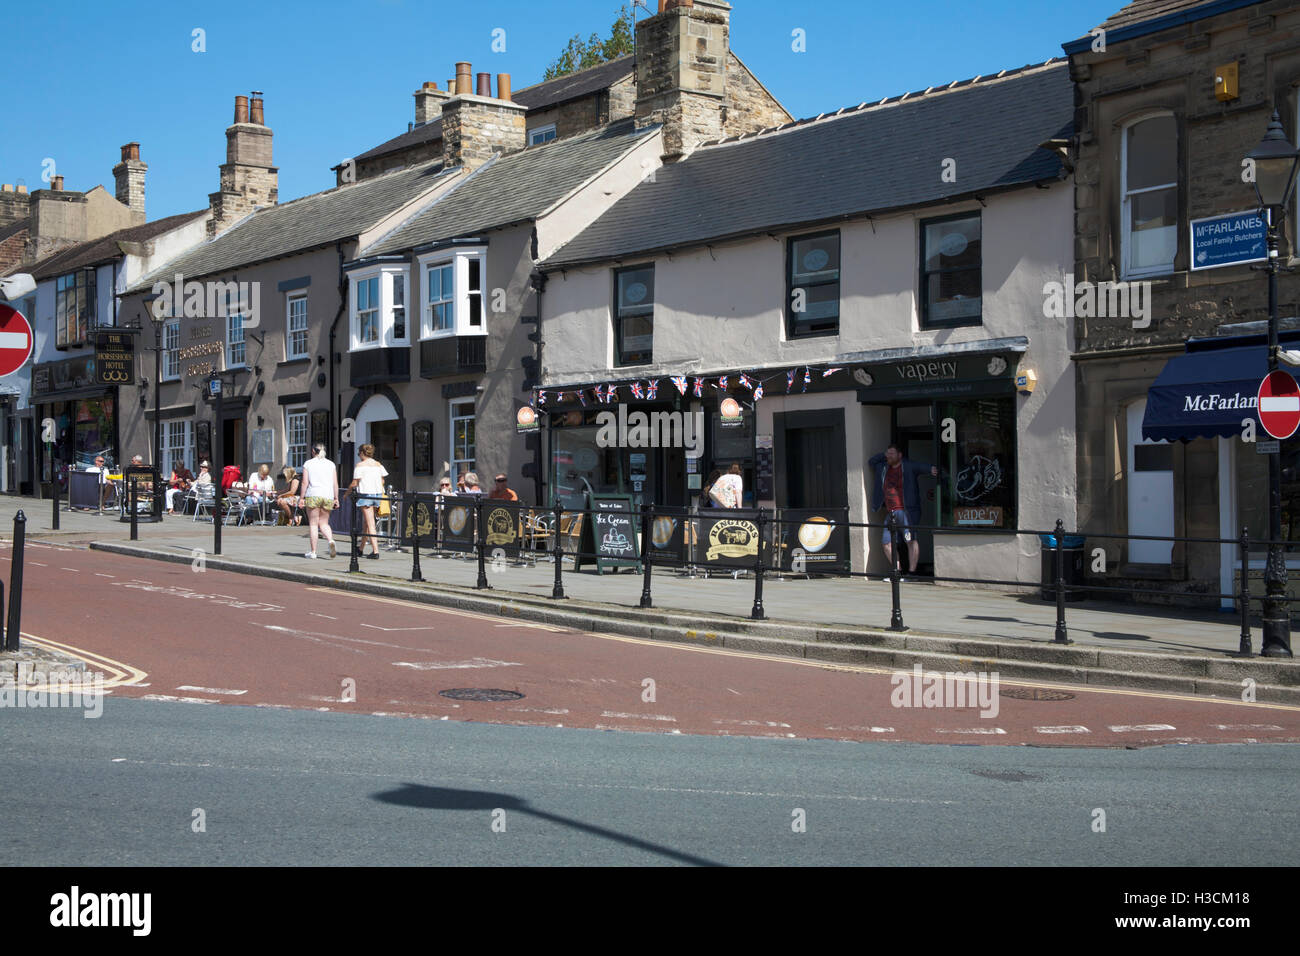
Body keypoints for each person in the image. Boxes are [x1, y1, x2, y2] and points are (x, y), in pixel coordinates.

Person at [869, 443, 940, 576]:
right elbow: (871, 461)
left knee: (910, 540)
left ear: (899, 455)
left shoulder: (908, 466)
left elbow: (922, 467)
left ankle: (912, 573)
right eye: (887, 453)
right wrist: (884, 455)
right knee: (886, 543)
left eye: (892, 453)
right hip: (891, 513)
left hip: (908, 512)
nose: (889, 456)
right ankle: (898, 570)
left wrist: (931, 469)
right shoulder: (882, 467)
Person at [348, 443, 389, 559]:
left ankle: (375, 551)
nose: (358, 455)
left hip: (366, 495)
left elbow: (354, 483)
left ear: (362, 453)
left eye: (358, 453)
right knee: (367, 522)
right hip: (377, 495)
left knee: (370, 523)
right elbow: (383, 481)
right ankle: (360, 549)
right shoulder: (378, 465)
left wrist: (346, 493)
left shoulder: (360, 465)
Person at [299, 444, 339, 559]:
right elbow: (335, 483)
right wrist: (336, 498)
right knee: (324, 523)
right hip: (328, 496)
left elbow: (304, 483)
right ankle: (331, 541)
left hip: (313, 495)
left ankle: (313, 552)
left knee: (313, 524)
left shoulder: (308, 464)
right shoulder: (331, 464)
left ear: (313, 451)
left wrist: (301, 498)